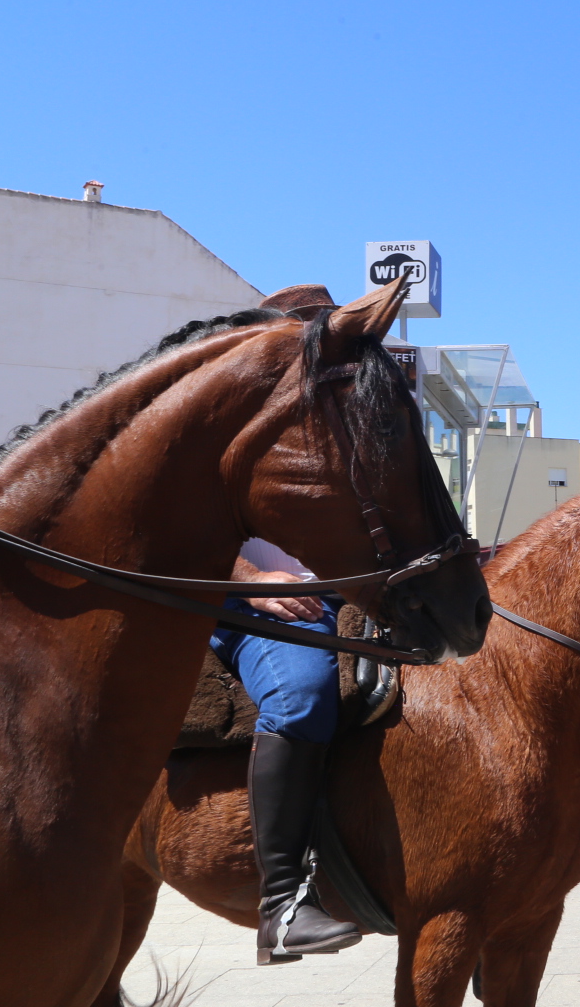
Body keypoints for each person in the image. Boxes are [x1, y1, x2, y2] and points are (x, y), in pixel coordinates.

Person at [204, 284, 363, 964]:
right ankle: (284, 903)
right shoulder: (225, 421)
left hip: (343, 596)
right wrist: (252, 582)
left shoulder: (346, 422)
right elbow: (185, 528)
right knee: (302, 696)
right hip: (251, 605)